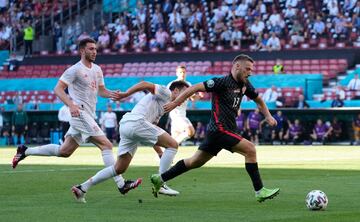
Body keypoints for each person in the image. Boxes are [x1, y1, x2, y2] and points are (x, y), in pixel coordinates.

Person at [11, 38, 137, 200]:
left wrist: (114, 95)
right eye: (91, 49)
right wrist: (71, 105)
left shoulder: (97, 70)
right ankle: (121, 184)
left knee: (65, 151)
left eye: (95, 49)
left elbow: (101, 90)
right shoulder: (74, 70)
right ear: (82, 51)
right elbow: (58, 89)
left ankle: (25, 151)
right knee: (106, 144)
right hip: (80, 113)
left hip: (89, 115)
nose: (94, 52)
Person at [151, 54, 280, 202]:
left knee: (194, 162)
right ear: (237, 66)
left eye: (251, 70)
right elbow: (194, 88)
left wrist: (268, 116)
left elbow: (259, 100)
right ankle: (259, 191)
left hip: (224, 131)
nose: (250, 72)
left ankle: (159, 178)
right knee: (250, 149)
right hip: (219, 129)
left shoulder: (245, 84)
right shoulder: (221, 82)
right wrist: (175, 103)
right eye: (247, 69)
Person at [71, 80, 190, 203]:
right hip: (136, 122)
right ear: (175, 90)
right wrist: (125, 94)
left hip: (127, 125)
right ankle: (161, 182)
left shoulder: (165, 106)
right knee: (173, 145)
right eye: (185, 94)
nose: (186, 98)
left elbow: (153, 129)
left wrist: (160, 153)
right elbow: (144, 83)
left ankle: (82, 188)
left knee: (119, 168)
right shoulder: (166, 92)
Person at [167, 65, 202, 145]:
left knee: (174, 139)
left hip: (182, 114)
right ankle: (170, 146)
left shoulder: (188, 84)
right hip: (175, 114)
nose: (182, 74)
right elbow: (168, 98)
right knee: (190, 131)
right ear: (177, 73)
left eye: (184, 72)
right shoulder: (172, 84)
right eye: (180, 72)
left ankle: (164, 151)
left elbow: (193, 99)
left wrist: (199, 96)